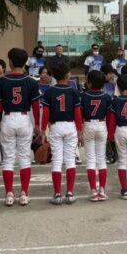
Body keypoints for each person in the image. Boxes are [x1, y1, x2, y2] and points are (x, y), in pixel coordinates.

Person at [0, 48, 41, 207]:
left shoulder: (1, 81)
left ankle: (9, 194)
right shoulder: (31, 81)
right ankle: (24, 194)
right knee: (24, 157)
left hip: (8, 118)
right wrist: (37, 125)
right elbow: (35, 105)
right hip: (24, 118)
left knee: (8, 159)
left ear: (11, 62)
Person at [40, 62, 83, 205]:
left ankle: (57, 194)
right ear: (67, 75)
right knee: (70, 160)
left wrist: (43, 131)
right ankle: (70, 193)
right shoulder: (73, 91)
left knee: (57, 160)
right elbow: (77, 114)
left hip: (55, 126)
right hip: (70, 126)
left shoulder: (49, 91)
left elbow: (46, 113)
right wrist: (80, 131)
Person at [80, 70, 113, 201]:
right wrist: (110, 131)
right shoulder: (106, 97)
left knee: (91, 160)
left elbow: (81, 115)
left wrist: (80, 131)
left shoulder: (84, 96)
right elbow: (109, 116)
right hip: (101, 124)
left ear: (89, 83)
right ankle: (102, 190)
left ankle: (94, 190)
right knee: (101, 159)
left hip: (88, 124)